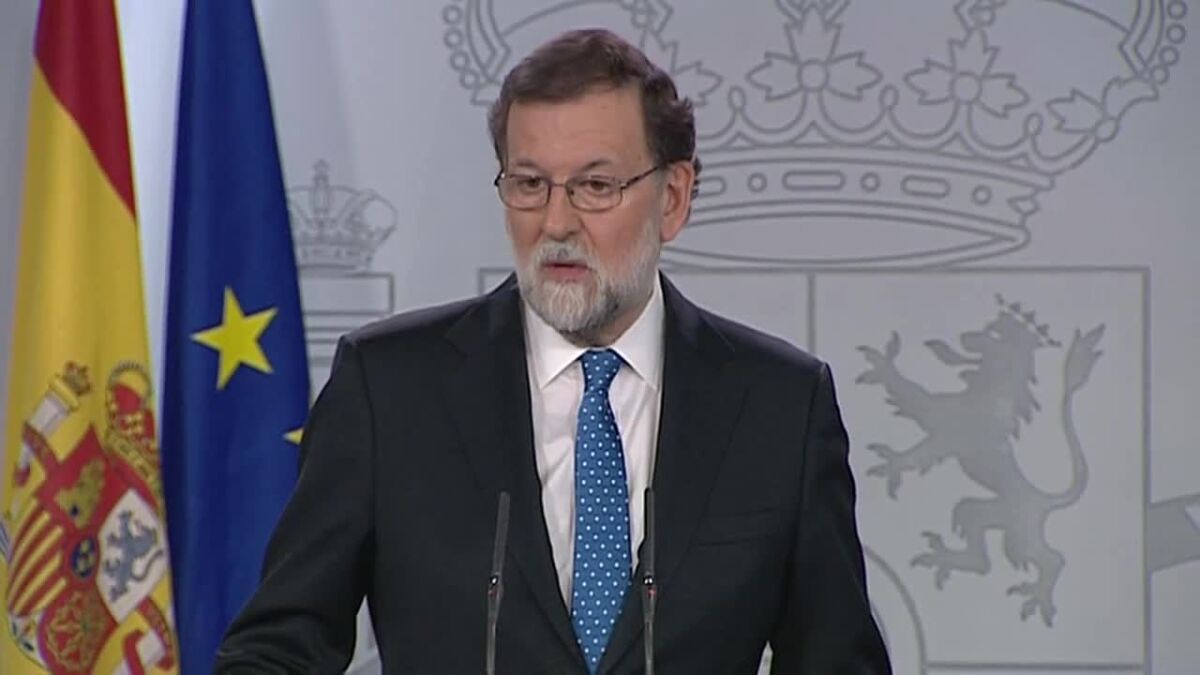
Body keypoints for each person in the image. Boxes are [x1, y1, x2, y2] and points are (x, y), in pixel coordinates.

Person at [215, 28, 890, 674]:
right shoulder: (389, 390)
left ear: (673, 198)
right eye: (530, 184)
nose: (557, 223)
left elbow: (838, 662)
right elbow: (275, 653)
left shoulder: (779, 406)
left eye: (596, 186)